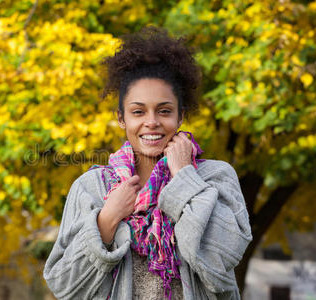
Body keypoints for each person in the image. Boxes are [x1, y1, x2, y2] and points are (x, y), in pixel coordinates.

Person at [43, 26, 252, 300]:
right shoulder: (91, 187)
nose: (151, 122)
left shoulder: (215, 178)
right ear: (121, 118)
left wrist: (185, 179)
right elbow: (62, 284)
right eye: (138, 111)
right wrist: (107, 219)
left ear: (180, 117)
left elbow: (221, 260)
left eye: (164, 111)